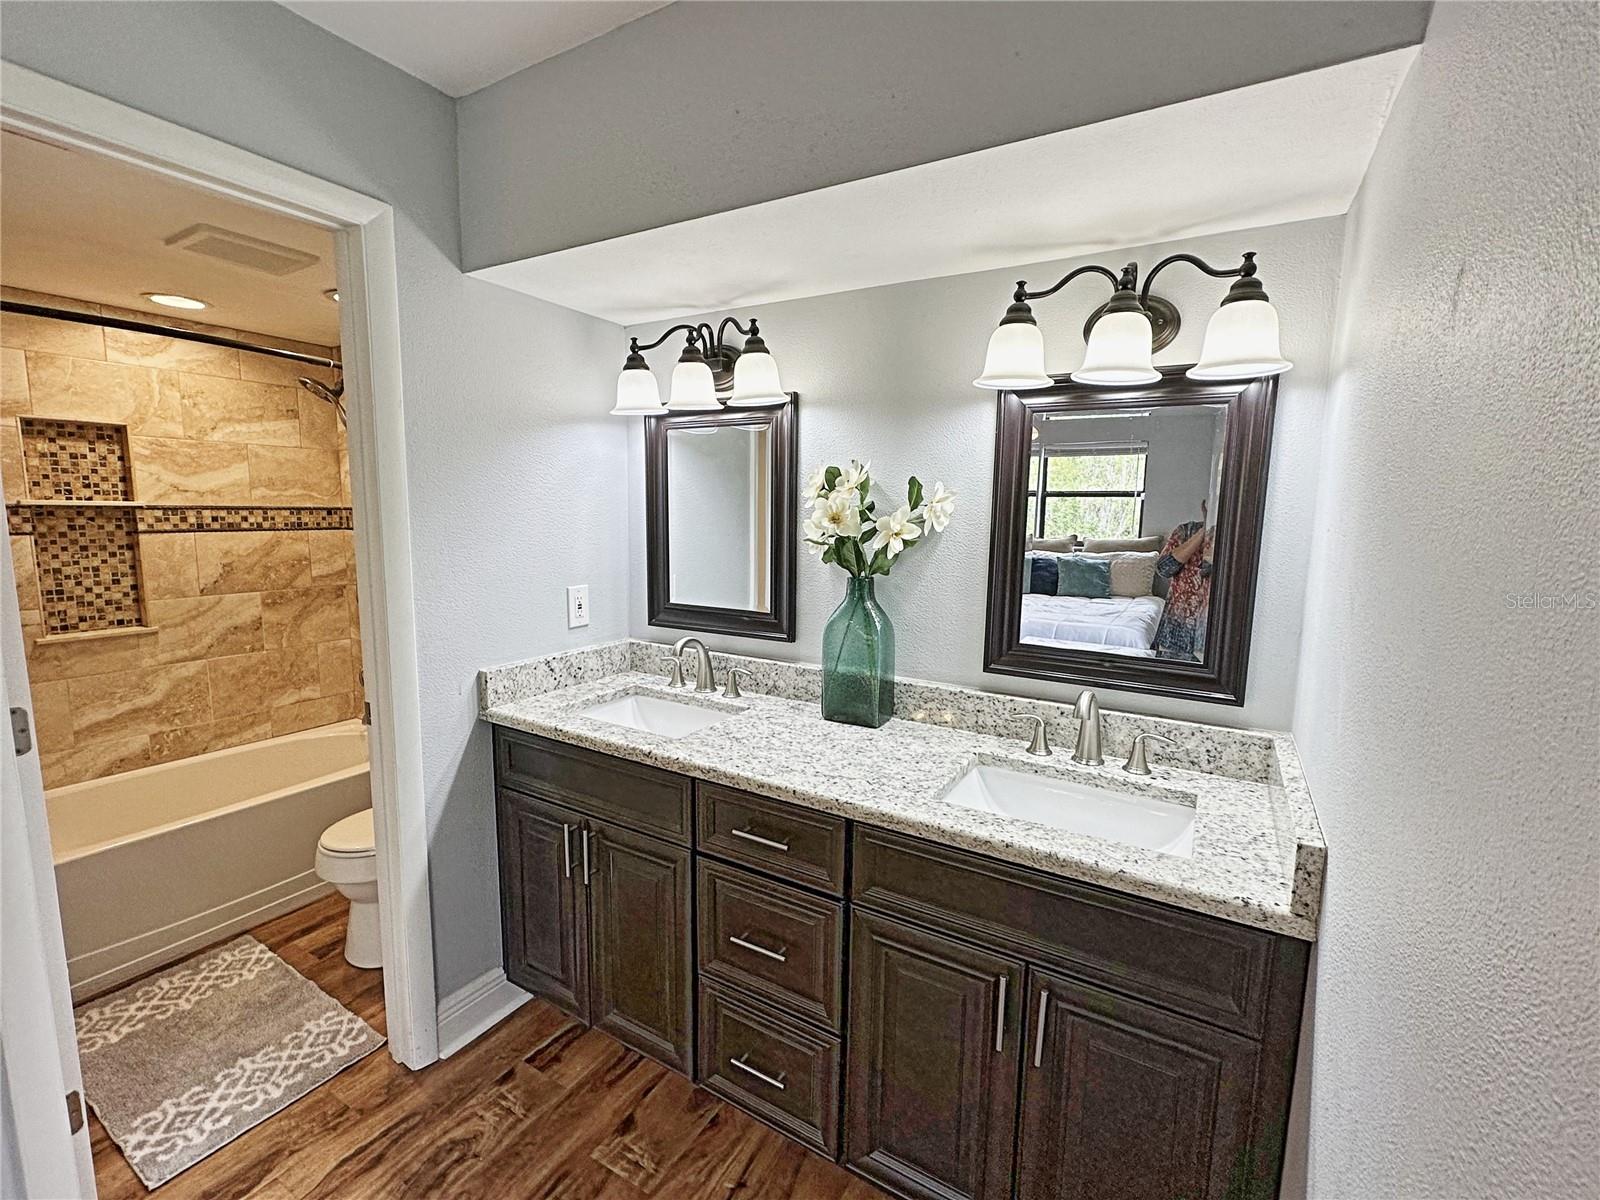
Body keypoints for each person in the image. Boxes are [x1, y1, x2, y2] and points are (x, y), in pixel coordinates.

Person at [1152, 499, 1214, 661]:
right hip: (1176, 631)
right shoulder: (1186, 531)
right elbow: (1164, 569)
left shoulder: (1237, 537)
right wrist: (1203, 531)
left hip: (1214, 634)